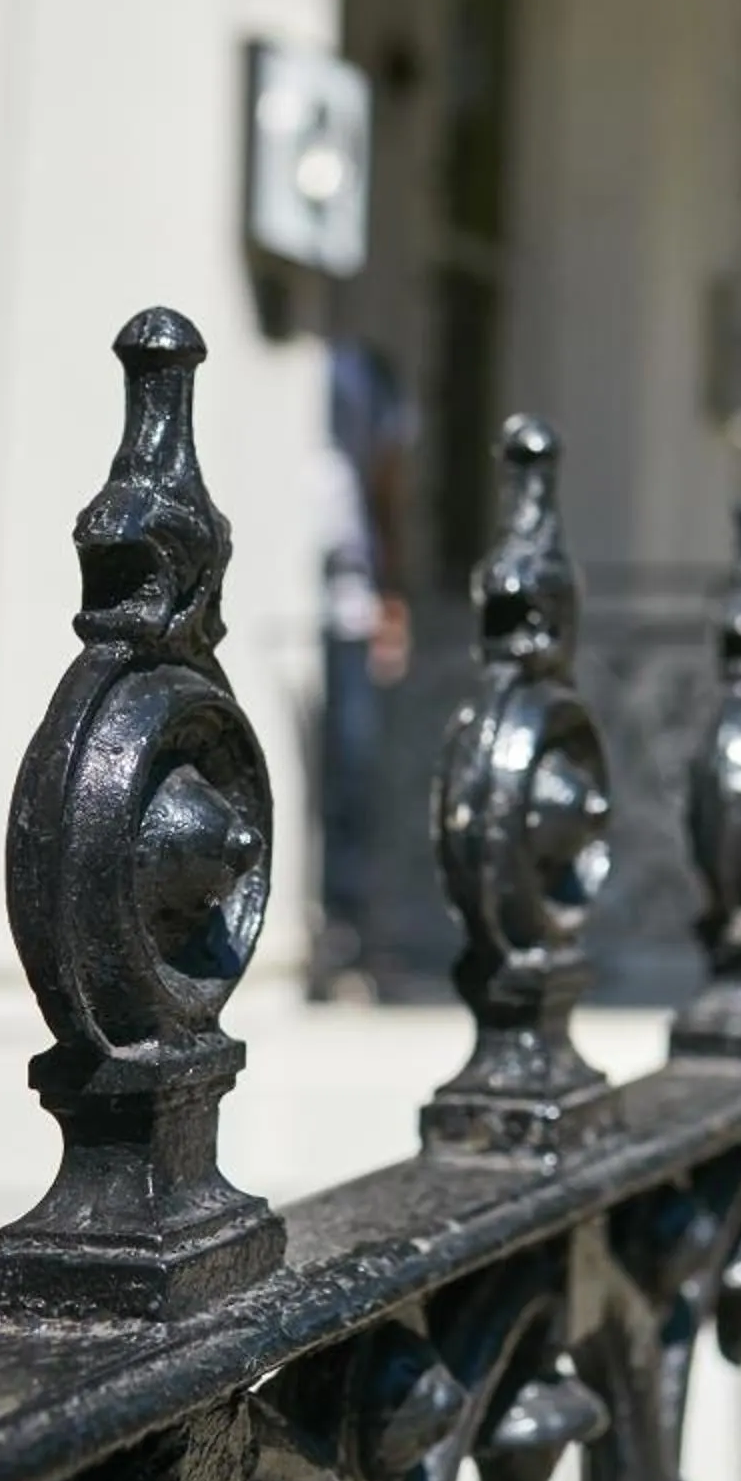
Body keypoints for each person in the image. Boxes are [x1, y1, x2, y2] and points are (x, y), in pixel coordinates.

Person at [316, 339, 415, 999]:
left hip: (351, 617)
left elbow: (388, 489)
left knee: (355, 774)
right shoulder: (312, 386)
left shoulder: (364, 382)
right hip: (305, 612)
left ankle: (348, 931)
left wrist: (389, 598)